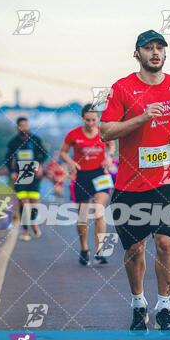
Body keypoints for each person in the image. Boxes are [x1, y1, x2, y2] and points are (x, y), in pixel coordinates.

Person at [100, 30, 170, 331]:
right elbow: (105, 131)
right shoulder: (122, 88)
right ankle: (138, 303)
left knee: (166, 242)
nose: (155, 52)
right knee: (134, 249)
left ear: (165, 54)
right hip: (131, 183)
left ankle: (164, 307)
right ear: (136, 54)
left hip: (169, 179)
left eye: (159, 48)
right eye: (148, 48)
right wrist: (141, 118)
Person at [60, 104, 115, 266]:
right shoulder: (73, 134)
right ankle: (84, 249)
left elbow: (111, 144)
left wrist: (109, 156)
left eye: (93, 120)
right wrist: (70, 162)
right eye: (87, 120)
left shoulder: (102, 132)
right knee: (83, 216)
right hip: (82, 175)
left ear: (97, 119)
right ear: (83, 119)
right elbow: (63, 151)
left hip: (99, 175)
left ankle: (100, 251)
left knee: (99, 210)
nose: (90, 123)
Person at [5, 117, 48, 241]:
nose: (24, 127)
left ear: (28, 126)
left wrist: (39, 165)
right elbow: (7, 159)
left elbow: (44, 154)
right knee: (22, 202)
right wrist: (12, 172)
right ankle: (25, 231)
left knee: (34, 203)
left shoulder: (35, 140)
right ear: (17, 127)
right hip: (20, 175)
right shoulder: (13, 142)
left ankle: (33, 223)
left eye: (26, 125)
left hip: (34, 174)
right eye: (21, 125)